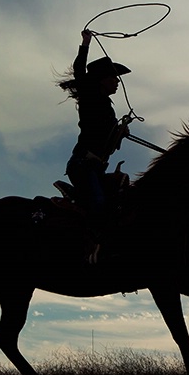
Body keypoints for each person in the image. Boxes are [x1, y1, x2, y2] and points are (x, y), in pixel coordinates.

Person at [58, 29, 131, 233]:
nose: (117, 81)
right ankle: (91, 245)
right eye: (113, 77)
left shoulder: (107, 107)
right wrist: (85, 43)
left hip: (95, 167)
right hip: (82, 165)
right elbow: (80, 71)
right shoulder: (90, 97)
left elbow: (106, 143)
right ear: (102, 79)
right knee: (98, 202)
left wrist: (119, 132)